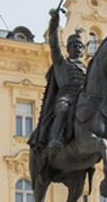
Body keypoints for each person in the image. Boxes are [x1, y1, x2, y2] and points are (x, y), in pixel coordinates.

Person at [29, 8, 87, 154]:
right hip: (66, 96)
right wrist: (54, 20)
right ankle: (56, 139)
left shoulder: (87, 68)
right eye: (74, 46)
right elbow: (54, 43)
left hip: (83, 98)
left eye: (80, 46)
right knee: (63, 109)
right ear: (68, 49)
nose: (78, 49)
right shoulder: (62, 63)